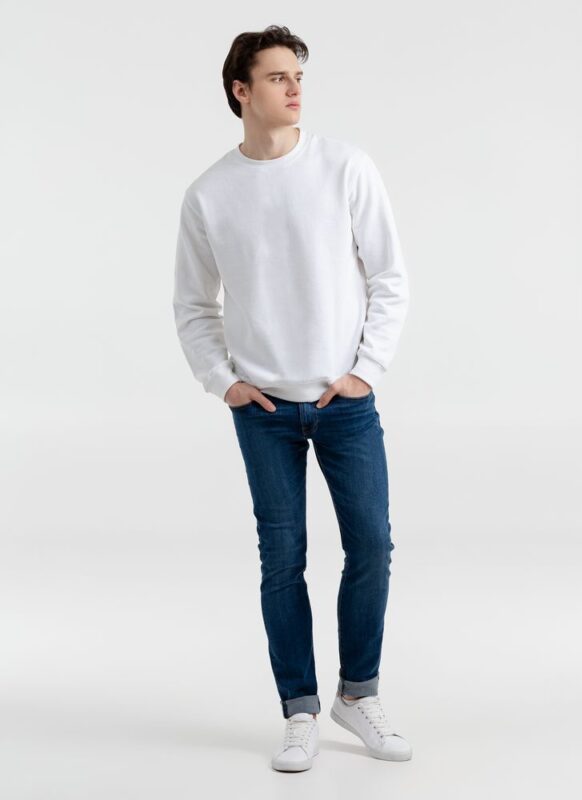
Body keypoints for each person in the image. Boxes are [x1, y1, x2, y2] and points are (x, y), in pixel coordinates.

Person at [172, 24, 412, 772]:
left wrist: (366, 370)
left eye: (298, 75)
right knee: (283, 559)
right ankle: (299, 709)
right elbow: (193, 306)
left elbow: (389, 276)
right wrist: (224, 382)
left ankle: (358, 693)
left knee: (371, 545)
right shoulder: (210, 194)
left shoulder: (345, 166)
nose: (294, 87)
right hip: (265, 412)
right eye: (277, 77)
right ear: (240, 90)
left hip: (345, 402)